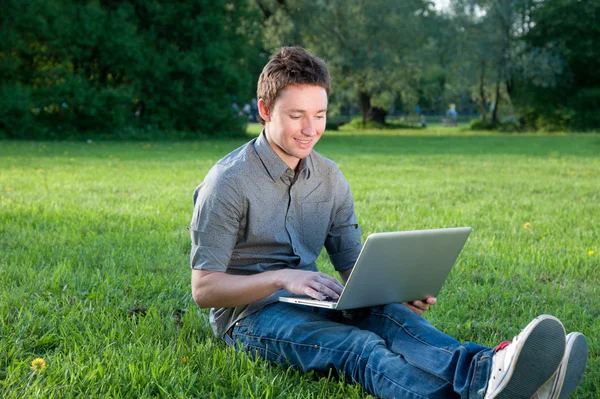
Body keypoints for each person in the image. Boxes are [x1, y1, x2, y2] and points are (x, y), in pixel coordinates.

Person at [189, 46, 588, 399]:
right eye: (296, 116)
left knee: (389, 317)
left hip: (312, 300)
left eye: (320, 115)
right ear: (264, 110)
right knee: (359, 347)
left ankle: (488, 373)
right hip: (249, 317)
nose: (311, 129)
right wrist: (282, 277)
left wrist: (394, 292)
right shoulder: (228, 182)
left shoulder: (330, 178)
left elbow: (354, 267)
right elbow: (204, 289)